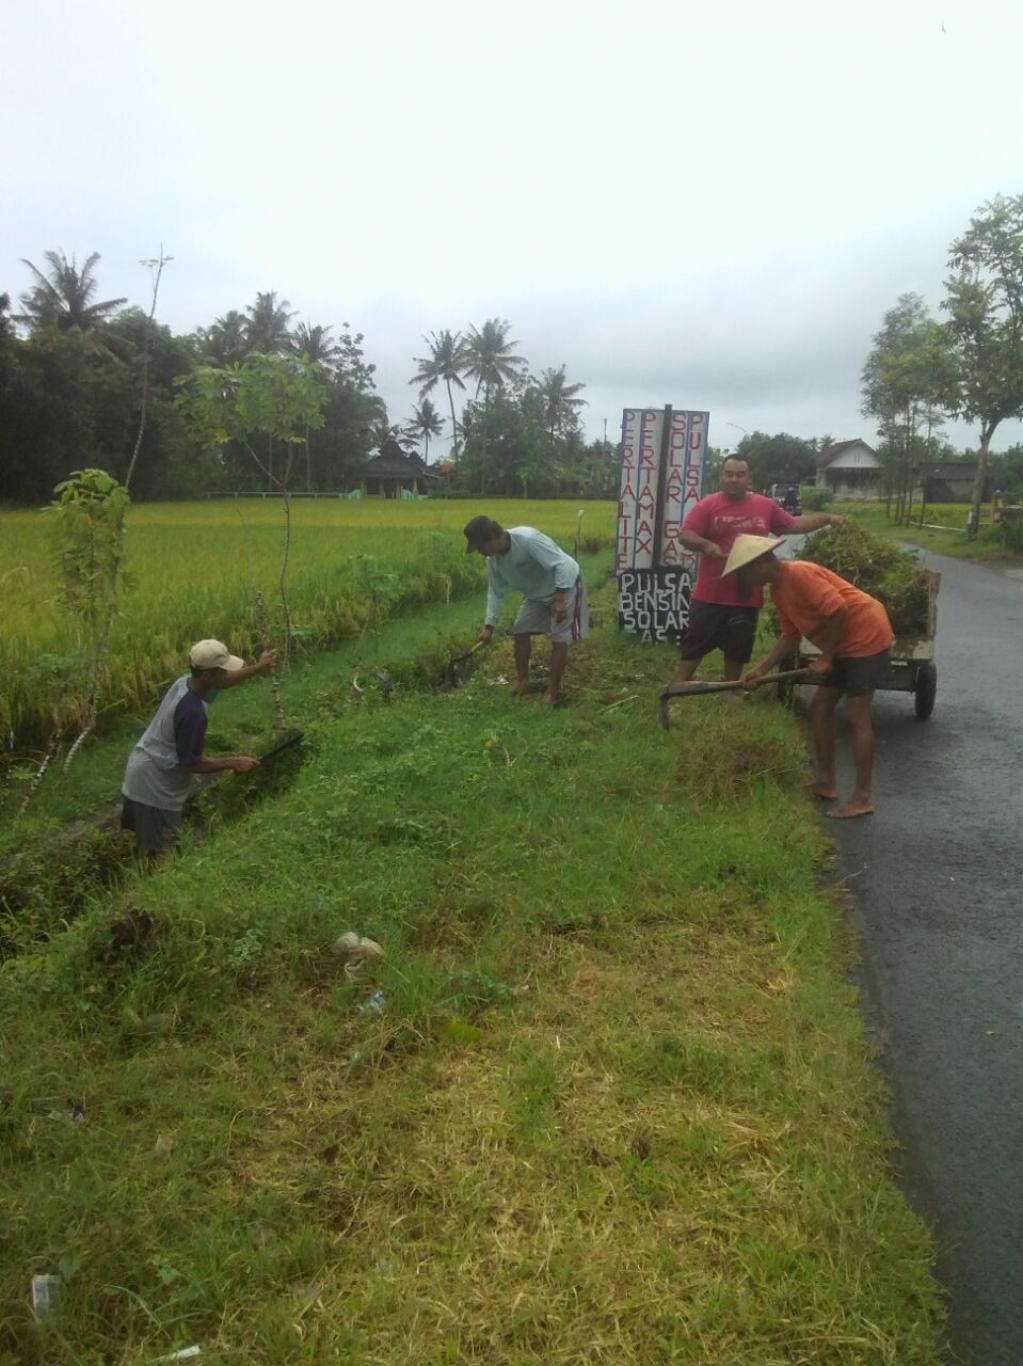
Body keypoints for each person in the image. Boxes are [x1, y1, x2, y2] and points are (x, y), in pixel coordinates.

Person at [728, 534, 894, 820]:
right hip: (842, 643)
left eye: (745, 572)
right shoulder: (778, 590)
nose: (744, 580)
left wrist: (826, 657)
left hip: (866, 634)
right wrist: (761, 670)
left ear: (760, 564)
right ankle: (826, 782)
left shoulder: (799, 573)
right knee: (820, 708)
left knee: (856, 715)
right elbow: (790, 636)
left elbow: (839, 610)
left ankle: (862, 798)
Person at [674, 455, 842, 685]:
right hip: (711, 591)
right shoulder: (708, 505)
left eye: (740, 474)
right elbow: (685, 535)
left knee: (738, 646)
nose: (734, 479)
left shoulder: (765, 505)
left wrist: (826, 519)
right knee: (696, 640)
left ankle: (732, 689)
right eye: (729, 474)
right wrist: (706, 545)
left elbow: (793, 524)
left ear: (749, 478)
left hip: (747, 593)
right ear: (721, 477)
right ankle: (680, 685)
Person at [121, 638, 277, 855]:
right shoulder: (192, 712)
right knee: (161, 854)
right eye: (222, 670)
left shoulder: (187, 682)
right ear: (207, 675)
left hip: (145, 768)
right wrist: (234, 762)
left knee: (156, 846)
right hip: (152, 785)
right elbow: (190, 763)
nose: (227, 674)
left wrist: (258, 667)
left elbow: (225, 680)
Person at [464, 515, 587, 705]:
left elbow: (561, 564)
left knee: (559, 637)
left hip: (565, 585)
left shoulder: (528, 539)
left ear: (492, 537)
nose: (480, 552)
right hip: (536, 595)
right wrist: (489, 626)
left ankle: (553, 691)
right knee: (520, 630)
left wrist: (560, 598)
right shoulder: (493, 561)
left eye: (480, 547)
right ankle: (523, 682)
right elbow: (495, 593)